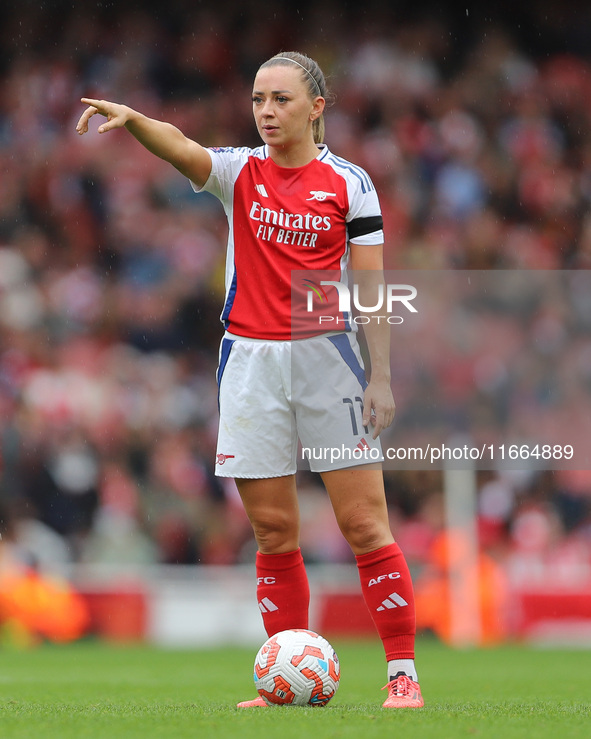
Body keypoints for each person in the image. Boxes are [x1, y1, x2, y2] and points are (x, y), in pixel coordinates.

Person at [76, 50, 423, 709]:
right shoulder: (238, 172)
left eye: (281, 100)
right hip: (249, 362)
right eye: (259, 98)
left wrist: (380, 377)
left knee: (363, 525)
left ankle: (401, 672)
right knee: (270, 530)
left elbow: (372, 289)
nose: (266, 111)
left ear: (316, 108)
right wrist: (133, 117)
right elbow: (180, 147)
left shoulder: (351, 184)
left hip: (328, 358)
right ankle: (283, 676)